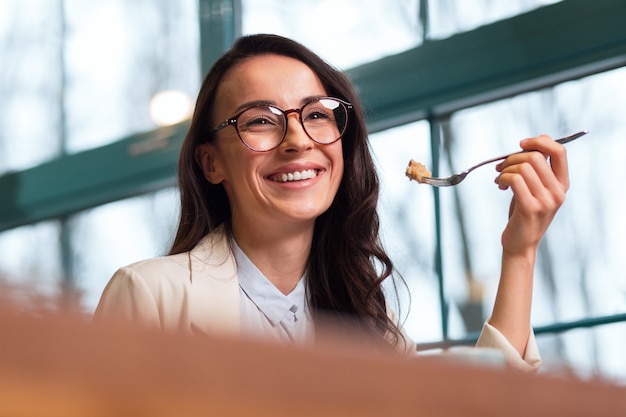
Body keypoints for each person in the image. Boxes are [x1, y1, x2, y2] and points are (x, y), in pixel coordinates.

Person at [95, 34, 570, 371]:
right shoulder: (149, 295)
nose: (297, 139)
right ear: (211, 162)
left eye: (317, 114)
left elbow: (482, 406)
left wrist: (520, 252)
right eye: (260, 120)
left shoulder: (379, 336)